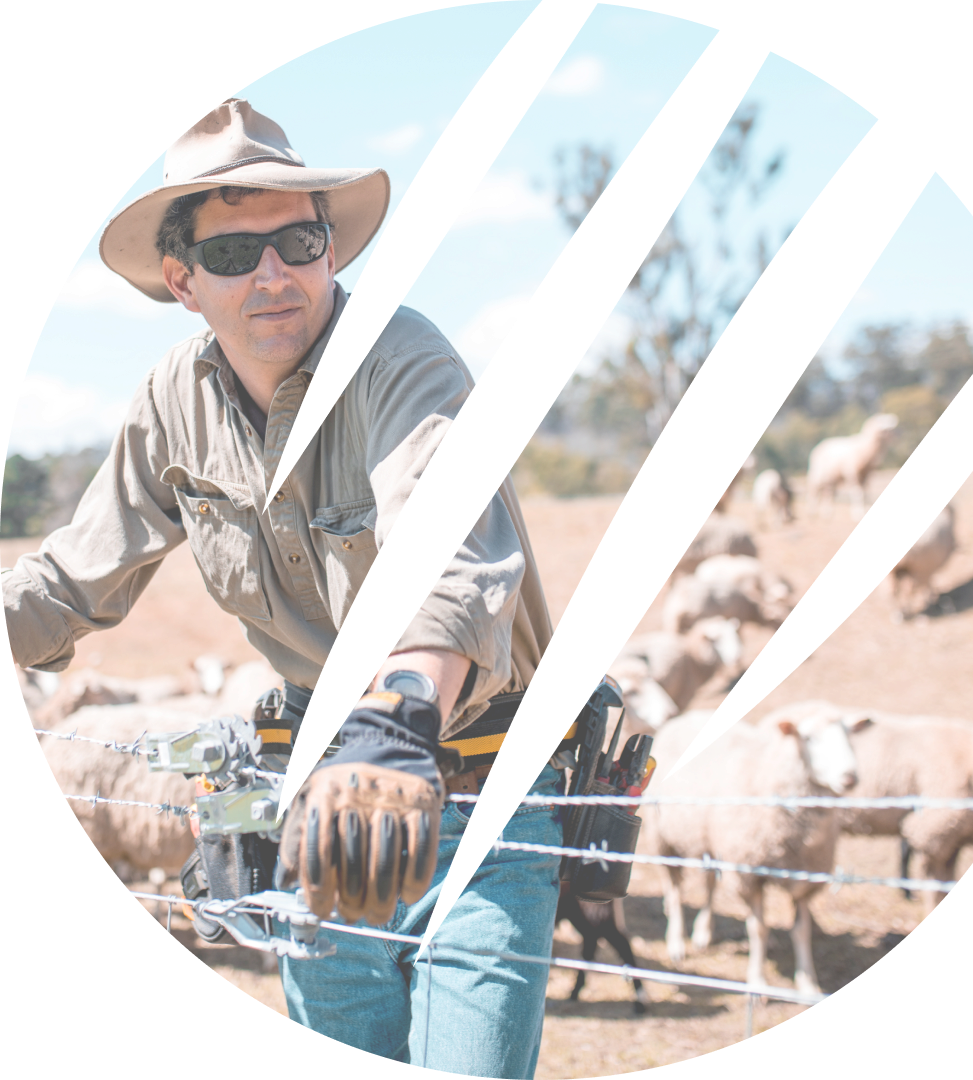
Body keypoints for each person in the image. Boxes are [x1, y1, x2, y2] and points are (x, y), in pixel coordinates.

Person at [4, 99, 568, 1079]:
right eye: (232, 256)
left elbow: (447, 552)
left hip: (479, 789)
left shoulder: (405, 357)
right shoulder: (170, 404)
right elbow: (68, 582)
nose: (272, 274)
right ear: (182, 282)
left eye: (298, 242)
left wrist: (396, 724)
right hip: (313, 798)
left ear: (330, 252)